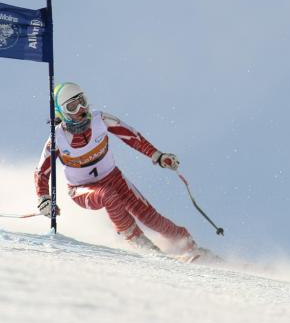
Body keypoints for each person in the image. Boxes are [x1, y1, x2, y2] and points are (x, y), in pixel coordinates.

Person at [35, 82, 203, 260]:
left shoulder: (100, 120)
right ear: (61, 112)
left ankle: (190, 247)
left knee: (150, 217)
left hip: (114, 178)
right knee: (107, 195)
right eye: (72, 106)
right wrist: (44, 198)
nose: (81, 109)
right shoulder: (57, 138)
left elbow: (131, 136)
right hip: (81, 189)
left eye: (82, 101)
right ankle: (138, 241)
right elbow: (41, 172)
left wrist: (158, 156)